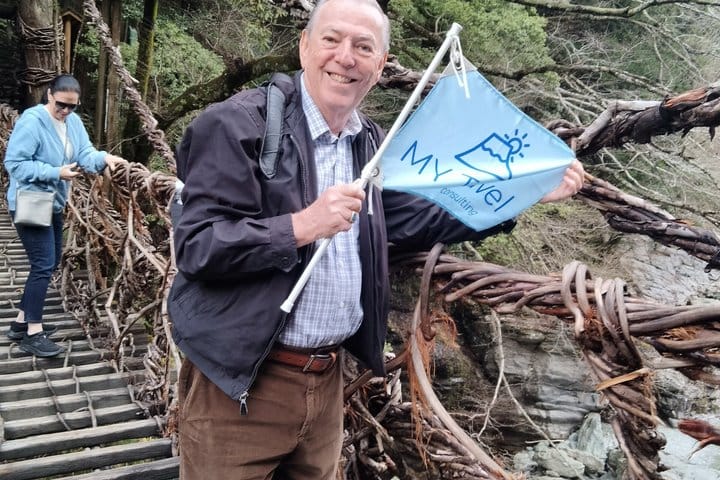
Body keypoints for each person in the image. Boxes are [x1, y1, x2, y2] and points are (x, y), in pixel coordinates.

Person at [168, 0, 585, 478]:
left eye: (363, 47)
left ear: (381, 65)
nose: (345, 57)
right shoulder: (237, 125)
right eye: (331, 39)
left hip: (326, 383)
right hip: (239, 385)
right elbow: (198, 245)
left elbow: (419, 219)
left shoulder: (371, 144)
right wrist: (303, 225)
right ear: (304, 46)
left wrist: (520, 194)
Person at [4, 73, 127, 357]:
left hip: (54, 203)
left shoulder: (73, 122)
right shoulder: (32, 122)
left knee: (50, 262)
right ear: (49, 95)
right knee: (42, 264)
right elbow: (15, 164)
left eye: (72, 106)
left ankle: (21, 323)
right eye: (61, 104)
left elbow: (84, 153)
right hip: (30, 202)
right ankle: (33, 333)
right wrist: (54, 172)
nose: (66, 110)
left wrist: (104, 158)